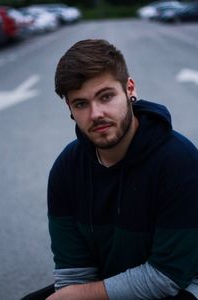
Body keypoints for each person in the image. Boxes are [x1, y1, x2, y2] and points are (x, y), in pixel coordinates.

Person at [46, 39, 198, 300]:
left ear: (129, 88)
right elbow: (74, 274)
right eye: (81, 103)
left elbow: (167, 277)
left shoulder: (180, 162)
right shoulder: (66, 168)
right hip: (109, 284)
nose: (96, 114)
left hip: (180, 284)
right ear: (69, 108)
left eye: (106, 97)